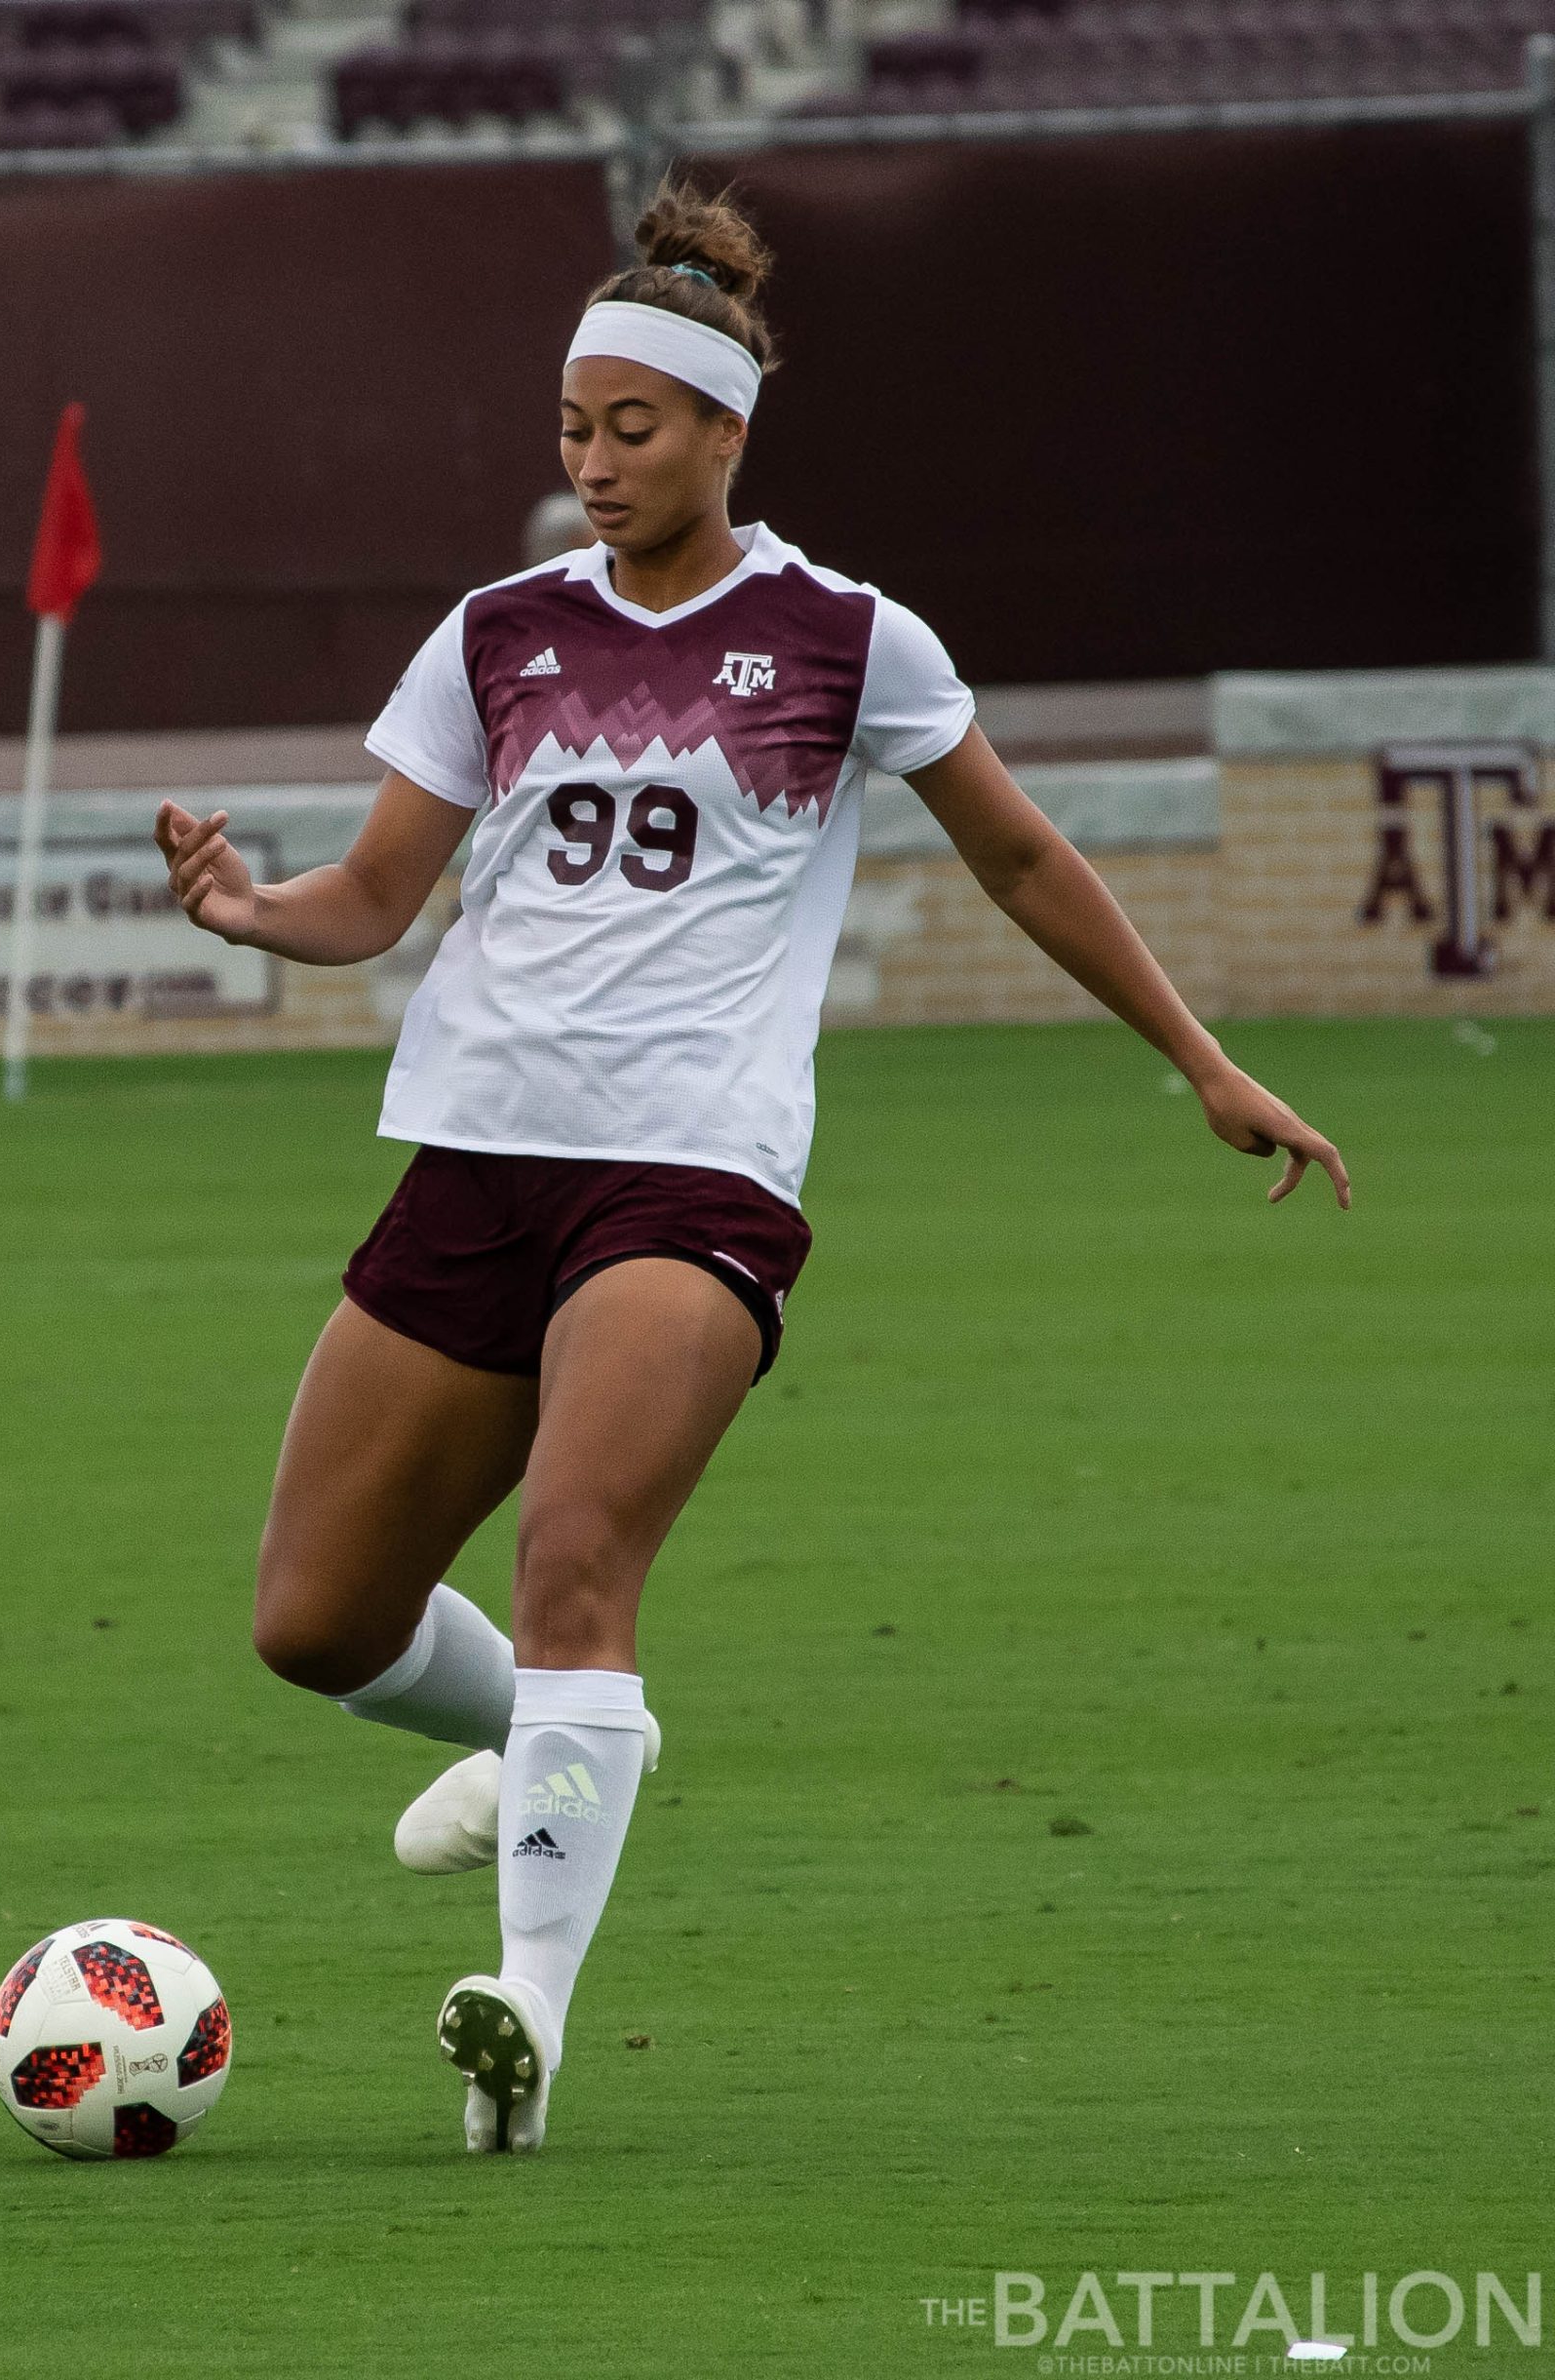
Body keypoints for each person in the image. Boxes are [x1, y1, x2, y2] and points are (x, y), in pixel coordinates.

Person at [151, 180, 1350, 2158]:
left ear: (725, 428)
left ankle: (519, 2005)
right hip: (472, 1161)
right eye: (570, 428)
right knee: (314, 1619)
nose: (595, 462)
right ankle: (566, 1744)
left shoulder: (842, 637)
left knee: (571, 1567)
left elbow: (1021, 857)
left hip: (689, 1175)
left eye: (633, 427)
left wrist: (1197, 1059)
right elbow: (371, 899)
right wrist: (241, 905)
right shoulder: (494, 636)